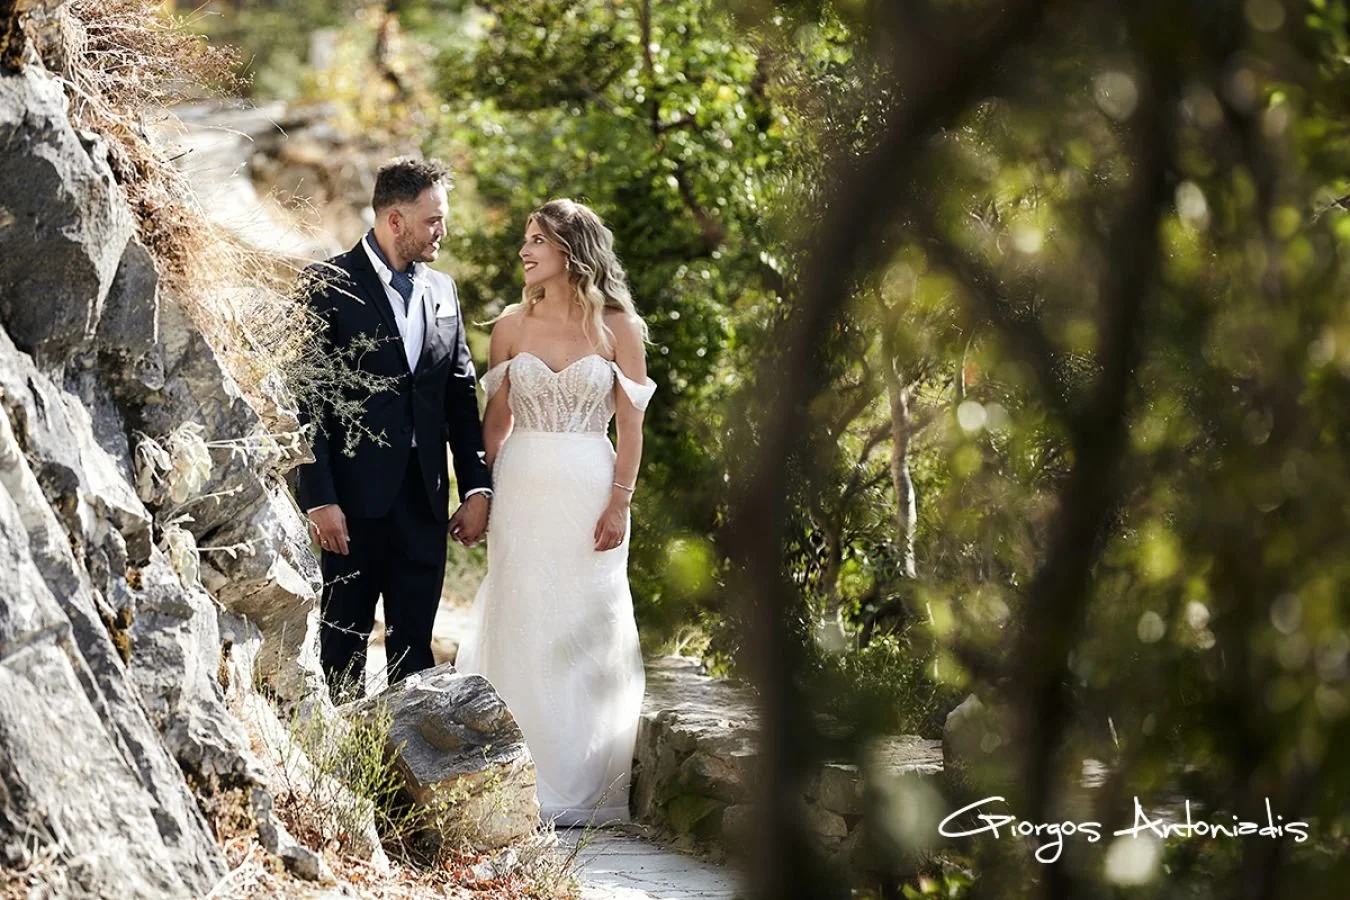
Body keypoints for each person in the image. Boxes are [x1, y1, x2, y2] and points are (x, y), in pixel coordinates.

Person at [455, 199, 655, 826]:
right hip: (522, 493)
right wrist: (480, 494)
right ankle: (516, 774)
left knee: (589, 622)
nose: (524, 250)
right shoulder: (511, 325)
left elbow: (630, 426)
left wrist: (620, 500)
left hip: (592, 494)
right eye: (525, 239)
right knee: (522, 615)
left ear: (570, 250)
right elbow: (496, 421)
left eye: (536, 240)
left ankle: (583, 782)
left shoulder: (620, 327)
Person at [295, 157, 492, 702]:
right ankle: (339, 774)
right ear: (395, 220)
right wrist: (319, 497)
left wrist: (477, 487)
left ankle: (407, 774)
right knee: (343, 643)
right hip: (352, 503)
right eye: (433, 220)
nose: (442, 231)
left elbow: (459, 398)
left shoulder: (444, 292)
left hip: (425, 501)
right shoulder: (327, 283)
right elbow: (308, 400)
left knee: (416, 650)